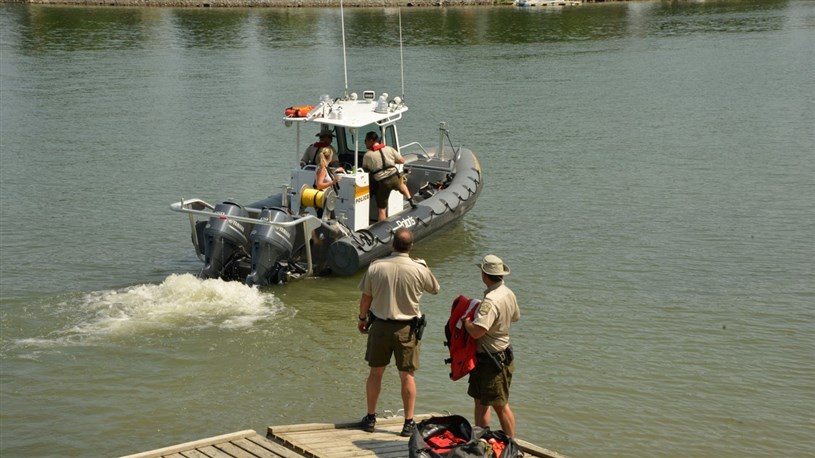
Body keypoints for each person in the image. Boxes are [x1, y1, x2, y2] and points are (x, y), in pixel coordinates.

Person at [357, 228, 440, 437]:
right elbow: (435, 289)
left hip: (380, 327)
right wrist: (424, 266)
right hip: (407, 329)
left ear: (392, 244)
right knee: (407, 376)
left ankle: (370, 418)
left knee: (375, 373)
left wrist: (362, 319)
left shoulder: (376, 267)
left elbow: (366, 297)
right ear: (411, 246)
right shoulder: (419, 269)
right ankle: (408, 423)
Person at [461, 254, 520, 438]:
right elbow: (516, 317)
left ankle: (511, 443)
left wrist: (466, 322)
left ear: (485, 275)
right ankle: (481, 439)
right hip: (499, 353)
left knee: (500, 404)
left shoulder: (490, 300)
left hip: (492, 359)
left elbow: (477, 331)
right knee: (481, 401)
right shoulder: (508, 292)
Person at [361, 131, 415, 221]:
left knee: (382, 209)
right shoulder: (389, 149)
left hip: (382, 183)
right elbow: (402, 161)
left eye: (365, 141)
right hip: (394, 177)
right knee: (401, 184)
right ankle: (410, 199)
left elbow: (365, 169)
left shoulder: (368, 155)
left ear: (371, 141)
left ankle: (382, 226)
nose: (365, 143)